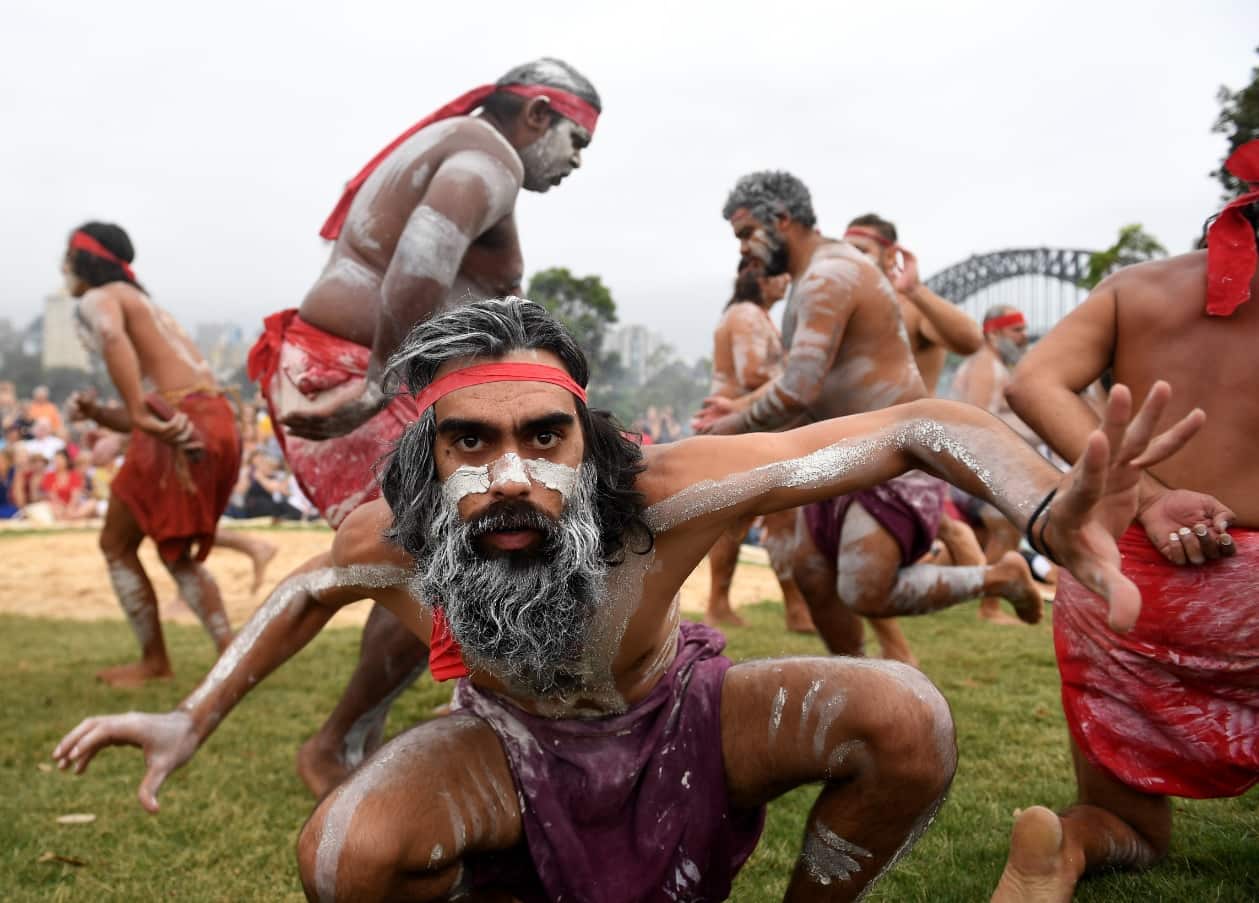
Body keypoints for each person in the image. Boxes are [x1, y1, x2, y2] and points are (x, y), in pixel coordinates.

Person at [54, 298, 1199, 902]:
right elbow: (297, 601)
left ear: (584, 439)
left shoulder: (658, 494)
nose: (511, 474)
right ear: (426, 460)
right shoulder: (392, 538)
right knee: (347, 853)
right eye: (471, 443)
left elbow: (916, 425)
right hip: (504, 747)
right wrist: (187, 719)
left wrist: (1045, 510)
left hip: (682, 717)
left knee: (906, 717)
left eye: (541, 437)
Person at [243, 58, 602, 796]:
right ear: (537, 113)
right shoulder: (486, 159)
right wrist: (377, 384)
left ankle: (353, 741)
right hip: (351, 371)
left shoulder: (461, 147)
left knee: (441, 560)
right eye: (576, 140)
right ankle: (340, 746)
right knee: (441, 565)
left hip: (352, 366)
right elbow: (423, 258)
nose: (574, 162)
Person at [991, 141, 1259, 901]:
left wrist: (1146, 496)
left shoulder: (1133, 289)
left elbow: (1031, 382)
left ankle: (1067, 847)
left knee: (1126, 825)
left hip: (1125, 584)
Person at [694, 173, 1042, 665]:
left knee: (864, 589)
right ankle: (859, 677)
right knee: (812, 575)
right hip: (845, 454)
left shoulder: (827, 277)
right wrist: (737, 408)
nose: (746, 252)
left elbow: (799, 389)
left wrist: (729, 428)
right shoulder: (811, 279)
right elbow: (814, 376)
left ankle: (1000, 577)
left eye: (747, 235)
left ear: (781, 220)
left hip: (895, 453)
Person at [62, 221, 240, 686]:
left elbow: (111, 338)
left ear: (84, 260)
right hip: (214, 417)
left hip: (183, 419)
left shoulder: (101, 298)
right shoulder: (144, 304)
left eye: (66, 258)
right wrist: (106, 413)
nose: (62, 269)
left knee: (117, 544)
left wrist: (139, 414)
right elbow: (159, 405)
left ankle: (158, 662)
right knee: (174, 550)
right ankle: (229, 658)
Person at [704, 257, 815, 631]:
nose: (787, 280)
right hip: (746, 428)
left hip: (746, 427)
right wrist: (797, 379)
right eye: (781, 273)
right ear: (761, 279)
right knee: (778, 514)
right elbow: (753, 373)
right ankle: (793, 607)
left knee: (741, 520)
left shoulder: (748, 314)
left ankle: (728, 603)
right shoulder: (747, 313)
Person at [949, 304, 1050, 624]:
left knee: (996, 531)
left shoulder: (993, 365)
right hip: (973, 471)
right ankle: (988, 610)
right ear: (993, 333)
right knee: (1005, 524)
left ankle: (986, 602)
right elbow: (975, 425)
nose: (1024, 337)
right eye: (1016, 331)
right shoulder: (986, 368)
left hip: (976, 471)